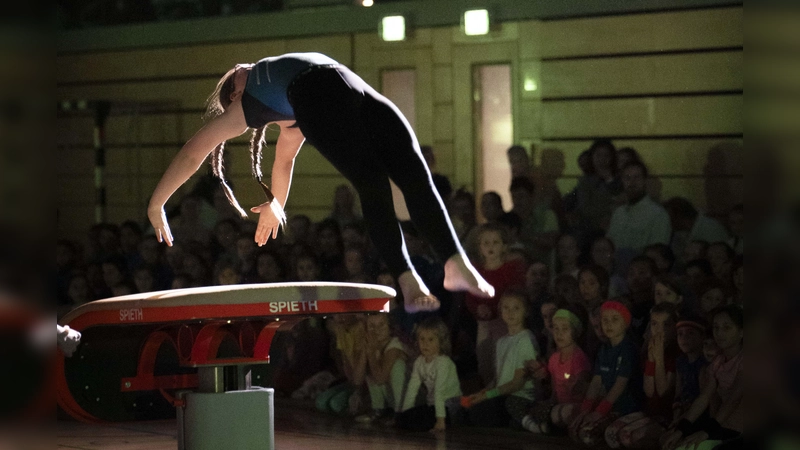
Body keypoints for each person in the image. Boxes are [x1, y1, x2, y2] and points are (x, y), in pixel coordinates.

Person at [146, 52, 494, 313]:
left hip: (355, 91)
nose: (240, 68)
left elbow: (284, 163)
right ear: (235, 98)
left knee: (415, 174)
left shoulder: (290, 119)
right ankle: (406, 277)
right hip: (325, 95)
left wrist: (276, 205)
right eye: (233, 79)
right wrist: (158, 203)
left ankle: (454, 262)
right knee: (372, 181)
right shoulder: (246, 107)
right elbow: (194, 153)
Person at [459, 291, 538, 429]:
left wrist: (488, 395)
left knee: (479, 414)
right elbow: (499, 379)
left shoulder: (525, 339)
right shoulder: (501, 342)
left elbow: (517, 383)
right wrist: (481, 393)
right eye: (506, 308)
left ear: (526, 311)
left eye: (516, 308)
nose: (510, 312)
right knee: (465, 409)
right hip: (502, 395)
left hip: (518, 399)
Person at [570, 301, 641, 446]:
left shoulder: (628, 350)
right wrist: (585, 410)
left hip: (627, 408)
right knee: (577, 428)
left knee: (590, 434)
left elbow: (620, 384)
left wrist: (599, 412)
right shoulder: (604, 349)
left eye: (615, 319)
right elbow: (596, 382)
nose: (609, 324)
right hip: (612, 407)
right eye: (605, 320)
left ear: (626, 323)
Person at [464, 224, 526, 385]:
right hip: (483, 324)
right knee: (484, 361)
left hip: (504, 323)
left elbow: (513, 296)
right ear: (479, 247)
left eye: (495, 242)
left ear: (504, 246)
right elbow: (471, 297)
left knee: (504, 361)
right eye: (486, 243)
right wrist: (478, 308)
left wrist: (493, 309)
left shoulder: (510, 270)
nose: (490, 247)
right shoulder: (476, 271)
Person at [521, 308, 592, 434]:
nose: (559, 334)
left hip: (575, 408)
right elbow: (554, 390)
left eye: (565, 329)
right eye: (556, 329)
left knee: (564, 413)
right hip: (558, 406)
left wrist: (577, 385)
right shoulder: (554, 359)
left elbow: (584, 384)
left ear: (575, 332)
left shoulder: (578, 358)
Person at [397, 316, 461, 433]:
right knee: (406, 419)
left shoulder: (443, 362)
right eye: (422, 339)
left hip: (449, 406)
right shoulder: (419, 362)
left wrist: (440, 420)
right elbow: (412, 389)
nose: (425, 344)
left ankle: (443, 421)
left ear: (440, 341)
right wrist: (404, 414)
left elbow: (439, 391)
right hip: (432, 404)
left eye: (430, 340)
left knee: (421, 421)